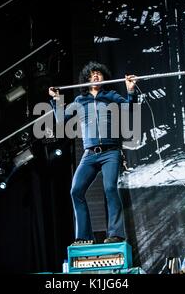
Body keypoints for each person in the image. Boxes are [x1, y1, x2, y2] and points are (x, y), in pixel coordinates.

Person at [49, 61, 137, 245]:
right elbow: (60, 120)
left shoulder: (111, 96)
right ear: (87, 79)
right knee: (76, 190)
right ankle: (84, 236)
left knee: (110, 189)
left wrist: (130, 91)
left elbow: (130, 108)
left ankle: (116, 234)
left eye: (99, 74)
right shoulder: (80, 101)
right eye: (92, 74)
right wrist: (57, 100)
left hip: (110, 152)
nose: (96, 76)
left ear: (104, 78)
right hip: (90, 154)